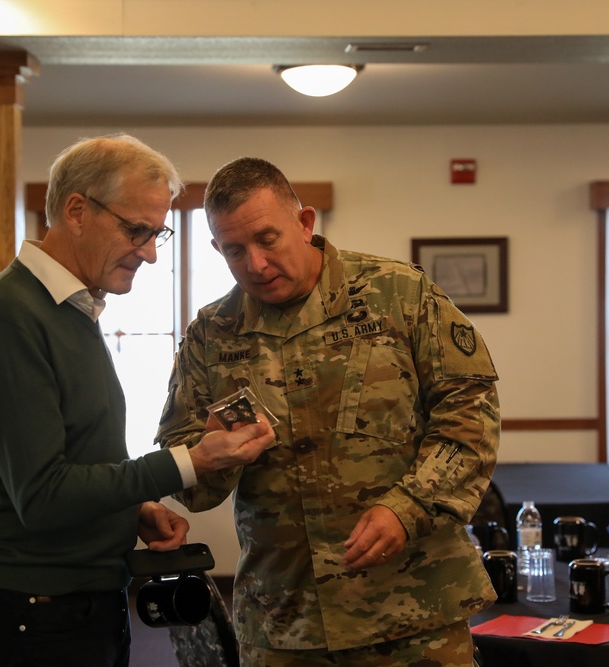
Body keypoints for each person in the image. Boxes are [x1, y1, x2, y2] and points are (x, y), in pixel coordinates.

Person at [0, 134, 275, 667]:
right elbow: (44, 495)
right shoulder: (7, 315)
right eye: (135, 229)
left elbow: (72, 461)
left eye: (156, 232)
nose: (148, 251)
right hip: (31, 615)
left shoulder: (70, 309)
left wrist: (130, 510)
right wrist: (191, 461)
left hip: (73, 604)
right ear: (76, 210)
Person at [156, 157, 501, 665]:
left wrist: (408, 507)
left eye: (267, 239)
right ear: (217, 249)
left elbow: (470, 416)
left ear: (305, 222)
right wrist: (209, 456)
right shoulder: (212, 334)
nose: (254, 263)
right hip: (284, 622)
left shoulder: (399, 295)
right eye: (234, 250)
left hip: (413, 609)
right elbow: (187, 473)